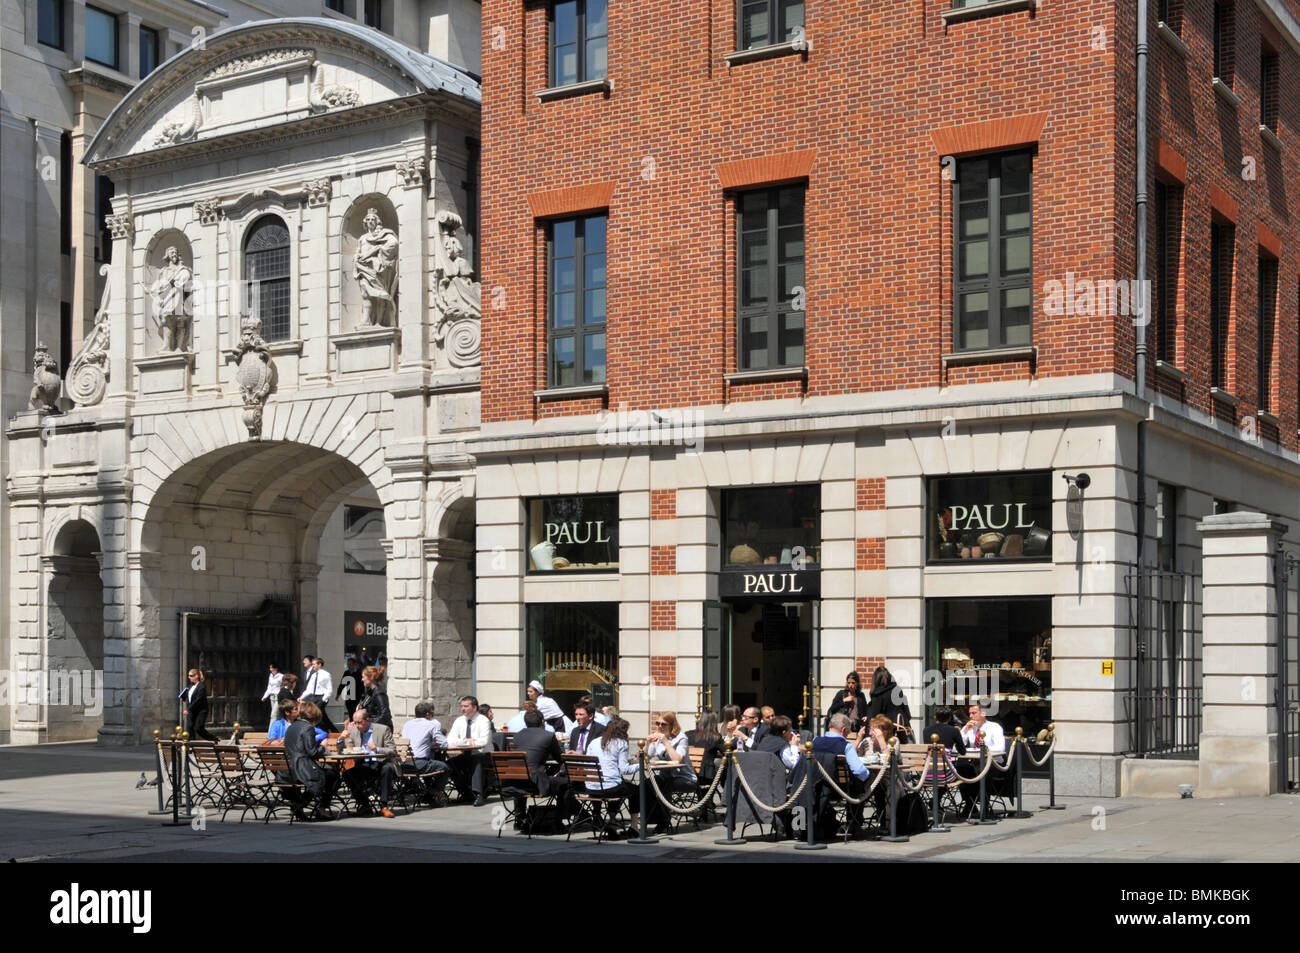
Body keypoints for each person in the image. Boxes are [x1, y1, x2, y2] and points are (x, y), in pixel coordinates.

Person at [509, 709, 569, 824]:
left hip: (514, 782)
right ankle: (558, 819)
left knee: (523, 773)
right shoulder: (548, 735)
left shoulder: (517, 736)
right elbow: (560, 758)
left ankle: (519, 817)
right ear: (542, 722)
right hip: (535, 784)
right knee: (565, 783)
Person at [339, 708, 401, 818]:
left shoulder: (383, 729)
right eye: (355, 722)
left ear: (367, 720)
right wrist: (341, 739)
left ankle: (384, 806)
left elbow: (392, 750)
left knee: (387, 769)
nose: (357, 725)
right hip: (364, 764)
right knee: (347, 774)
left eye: (359, 722)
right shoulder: (355, 731)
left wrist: (377, 749)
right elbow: (344, 749)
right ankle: (364, 804)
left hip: (381, 762)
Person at [585, 716, 641, 834]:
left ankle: (612, 822)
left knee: (619, 785)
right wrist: (641, 765)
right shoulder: (621, 743)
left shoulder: (594, 742)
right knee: (635, 790)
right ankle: (634, 826)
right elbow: (624, 770)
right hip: (609, 788)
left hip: (591, 787)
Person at [285, 701, 340, 820]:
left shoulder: (291, 727)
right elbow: (312, 752)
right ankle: (320, 808)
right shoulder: (308, 728)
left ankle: (300, 805)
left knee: (326, 775)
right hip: (302, 770)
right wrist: (323, 746)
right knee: (333, 775)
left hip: (288, 770)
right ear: (314, 717)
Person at [446, 695, 492, 806]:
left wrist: (464, 741)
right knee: (450, 764)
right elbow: (450, 739)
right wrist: (466, 741)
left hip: (483, 754)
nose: (463, 709)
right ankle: (465, 792)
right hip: (465, 754)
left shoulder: (483, 721)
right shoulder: (459, 720)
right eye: (462, 706)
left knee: (476, 760)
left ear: (474, 708)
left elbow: (483, 742)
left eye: (466, 706)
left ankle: (478, 794)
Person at [814, 713, 873, 781]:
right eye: (848, 731)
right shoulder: (847, 746)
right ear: (843, 730)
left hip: (812, 786)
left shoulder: (814, 741)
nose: (848, 734)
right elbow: (859, 771)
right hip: (837, 788)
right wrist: (869, 776)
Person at [864, 667, 913, 741]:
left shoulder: (877, 695)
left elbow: (871, 718)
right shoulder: (898, 691)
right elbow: (908, 715)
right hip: (902, 734)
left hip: (887, 735)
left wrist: (867, 738)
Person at [400, 701, 450, 773]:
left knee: (432, 762)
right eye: (431, 714)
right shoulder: (431, 725)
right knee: (446, 767)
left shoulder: (407, 724)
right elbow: (444, 744)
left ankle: (418, 784)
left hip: (404, 763)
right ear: (427, 714)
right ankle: (433, 785)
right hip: (419, 764)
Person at [685, 711, 725, 784]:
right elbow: (726, 752)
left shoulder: (688, 734)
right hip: (705, 775)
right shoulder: (715, 737)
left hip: (688, 773)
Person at [299, 657, 338, 732]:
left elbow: (329, 689)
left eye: (314, 664)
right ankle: (332, 731)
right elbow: (309, 689)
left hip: (322, 697)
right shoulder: (313, 675)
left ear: (319, 664)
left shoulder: (326, 675)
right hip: (314, 697)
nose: (312, 666)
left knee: (316, 715)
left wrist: (323, 699)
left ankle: (326, 731)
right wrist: (302, 697)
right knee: (322, 716)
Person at [179, 669, 217, 742]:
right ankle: (191, 745)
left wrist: (188, 709)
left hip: (201, 711)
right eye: (188, 676)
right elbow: (190, 697)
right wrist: (184, 697)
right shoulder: (191, 686)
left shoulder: (201, 687)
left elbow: (198, 700)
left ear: (196, 676)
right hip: (193, 711)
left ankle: (214, 739)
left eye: (191, 676)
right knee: (190, 728)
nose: (189, 677)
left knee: (198, 728)